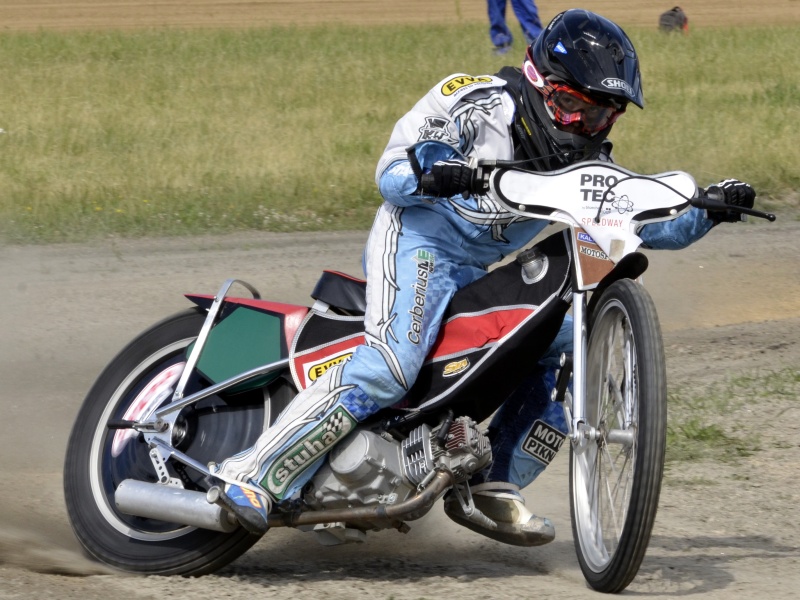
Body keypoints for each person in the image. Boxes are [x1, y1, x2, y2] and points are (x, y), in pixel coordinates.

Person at [214, 9, 756, 544]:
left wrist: (709, 209)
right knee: (391, 366)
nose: (581, 126)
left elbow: (647, 227)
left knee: (570, 344)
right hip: (417, 241)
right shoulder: (477, 101)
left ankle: (493, 481)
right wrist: (435, 171)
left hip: (474, 270)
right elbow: (391, 171)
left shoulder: (585, 169)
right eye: (571, 106)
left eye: (598, 117)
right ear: (540, 82)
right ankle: (254, 473)